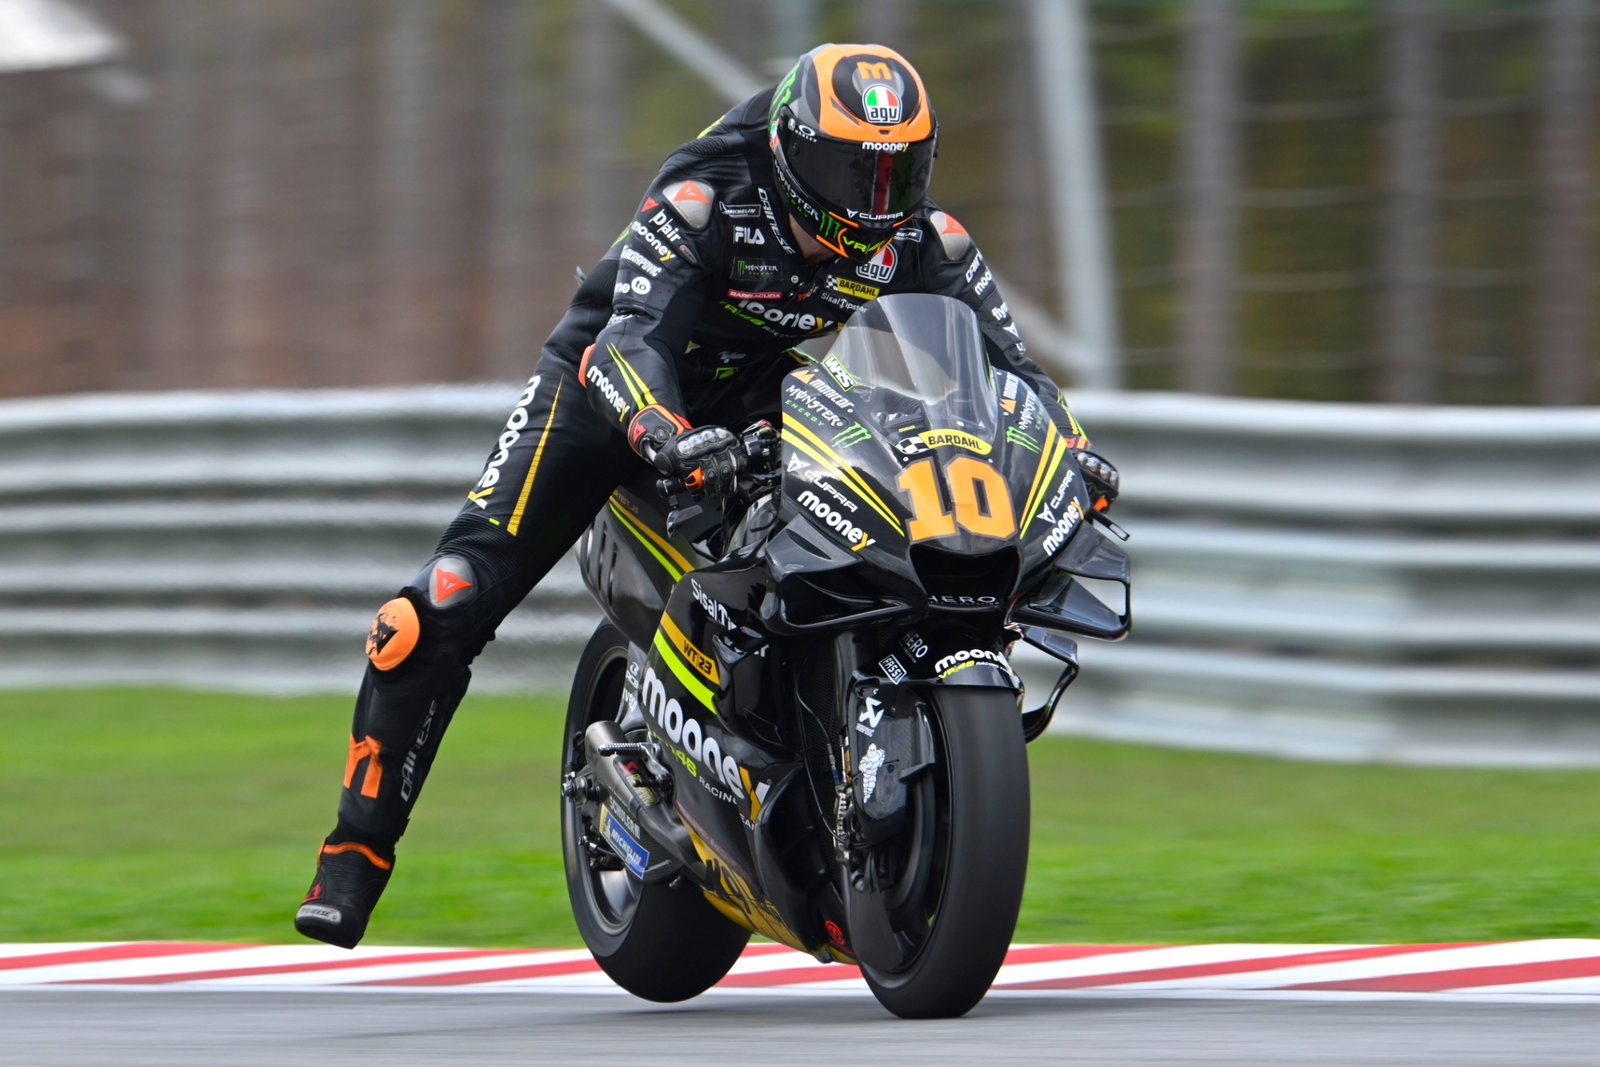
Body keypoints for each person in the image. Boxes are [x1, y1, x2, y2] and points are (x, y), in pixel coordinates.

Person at [293, 42, 1120, 949]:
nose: (877, 203)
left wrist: (1071, 451)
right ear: (796, 152)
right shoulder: (705, 195)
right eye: (856, 172)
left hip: (760, 389)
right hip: (611, 392)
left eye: (900, 173)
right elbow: (626, 339)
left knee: (865, 523)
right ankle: (355, 853)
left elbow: (1013, 370)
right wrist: (663, 433)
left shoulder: (924, 240)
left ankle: (798, 762)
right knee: (437, 603)